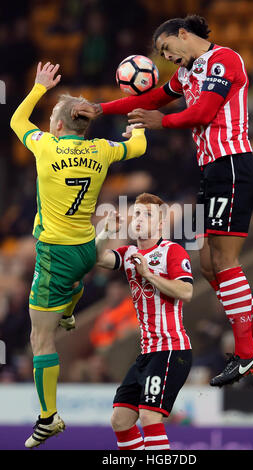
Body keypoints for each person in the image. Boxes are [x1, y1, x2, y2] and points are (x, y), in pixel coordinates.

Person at [71, 14, 253, 387]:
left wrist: (160, 123)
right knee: (208, 265)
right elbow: (155, 96)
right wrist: (100, 109)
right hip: (213, 172)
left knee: (224, 261)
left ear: (182, 35)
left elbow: (202, 112)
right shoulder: (187, 73)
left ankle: (246, 351)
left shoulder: (225, 60)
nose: (166, 58)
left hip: (233, 164)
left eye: (166, 49)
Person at [10, 61, 147, 448]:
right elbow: (138, 146)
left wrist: (38, 88)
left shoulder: (45, 147)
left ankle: (48, 418)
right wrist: (136, 120)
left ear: (57, 125)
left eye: (52, 115)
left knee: (40, 337)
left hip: (56, 254)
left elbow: (17, 121)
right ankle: (70, 307)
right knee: (68, 299)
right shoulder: (101, 150)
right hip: (88, 249)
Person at [96, 192, 193, 450]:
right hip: (146, 353)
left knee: (150, 415)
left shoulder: (171, 250)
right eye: (137, 213)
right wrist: (104, 233)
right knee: (120, 420)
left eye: (147, 215)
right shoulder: (128, 253)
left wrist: (148, 274)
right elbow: (96, 258)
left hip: (172, 349)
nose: (139, 219)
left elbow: (186, 291)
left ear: (160, 224)